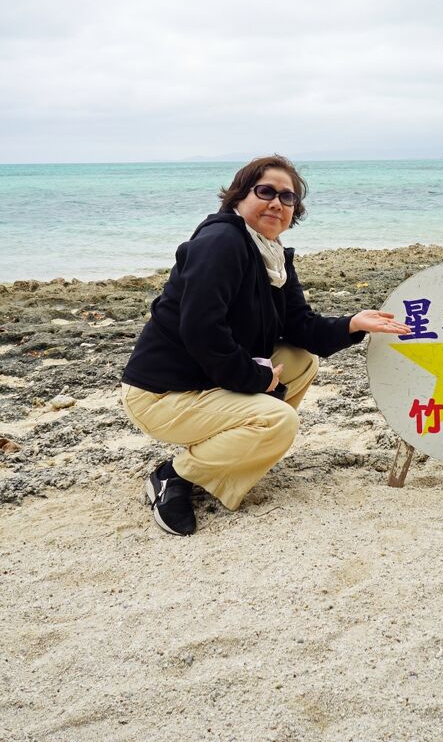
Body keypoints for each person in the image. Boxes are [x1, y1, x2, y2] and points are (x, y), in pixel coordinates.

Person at [121, 154, 409, 535]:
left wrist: (353, 324)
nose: (277, 203)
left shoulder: (272, 257)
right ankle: (174, 476)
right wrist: (256, 379)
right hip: (162, 393)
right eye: (266, 191)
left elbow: (300, 326)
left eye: (287, 197)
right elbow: (201, 330)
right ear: (239, 198)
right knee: (278, 420)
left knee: (301, 359)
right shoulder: (221, 242)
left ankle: (236, 454)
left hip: (206, 381)